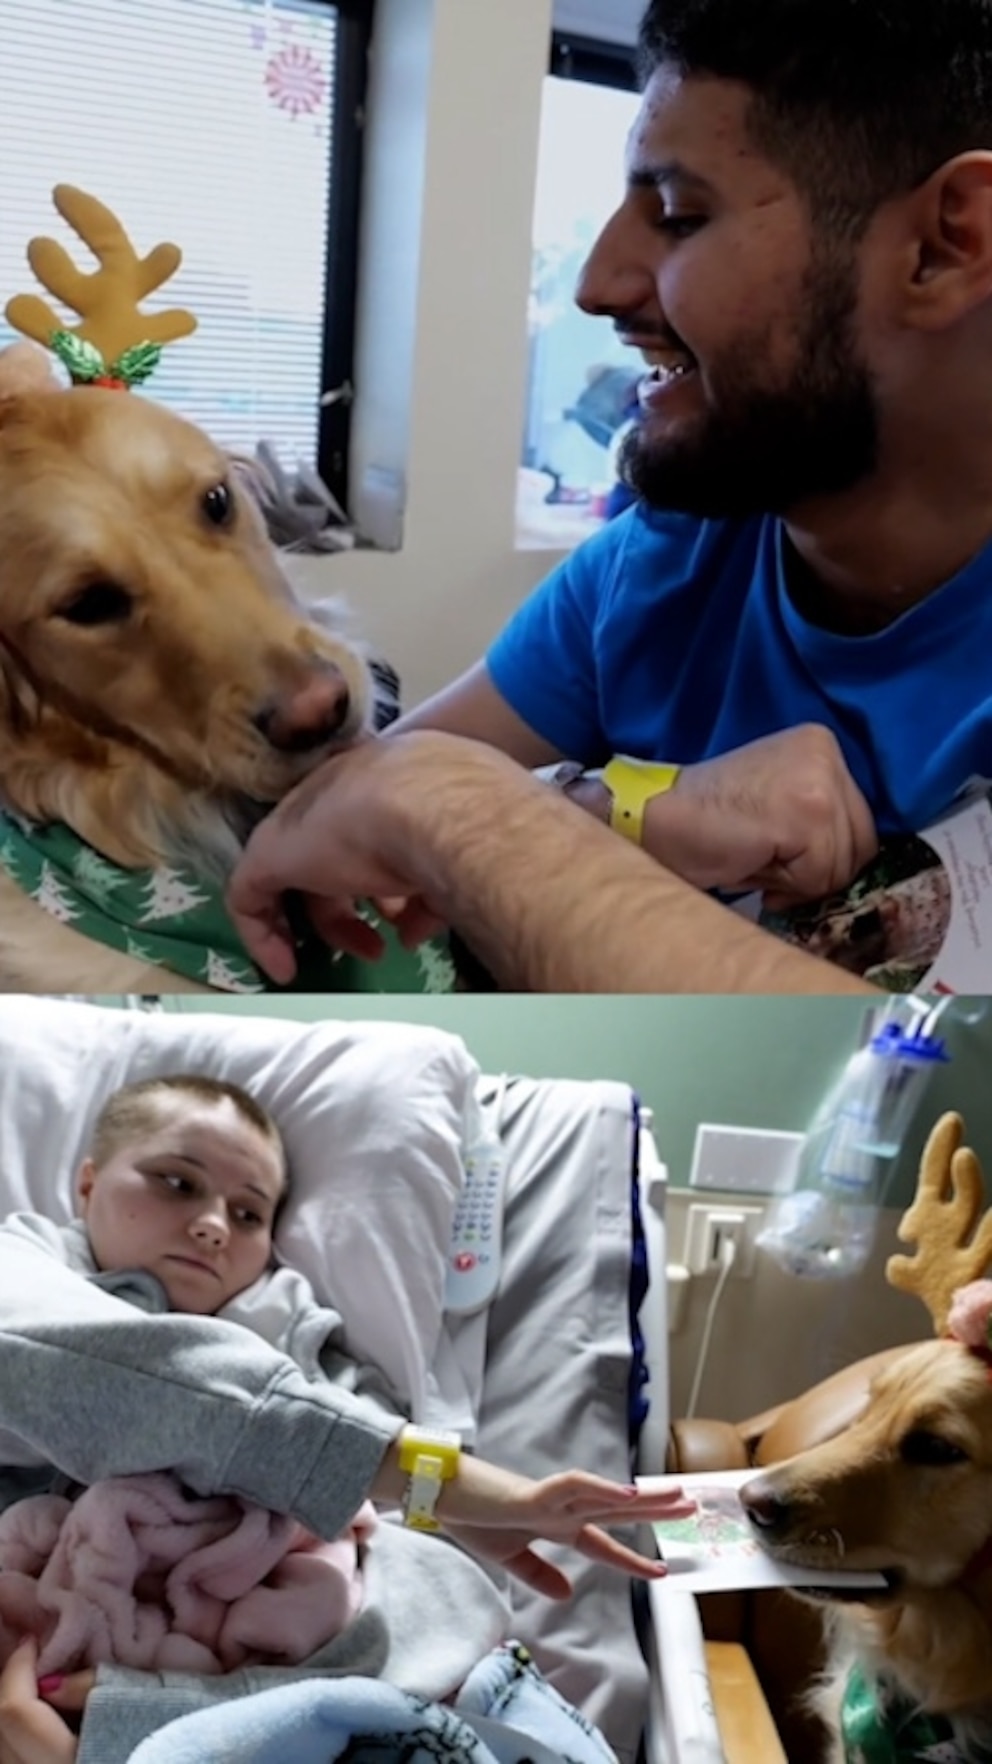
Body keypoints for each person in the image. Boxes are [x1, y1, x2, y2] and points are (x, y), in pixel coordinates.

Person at [225, 0, 992, 994]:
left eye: (678, 215)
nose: (593, 285)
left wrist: (474, 816)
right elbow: (329, 835)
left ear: (942, 246)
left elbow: (938, 1101)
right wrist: (628, 806)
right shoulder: (662, 561)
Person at [0, 1073, 693, 1764]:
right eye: (177, 1183)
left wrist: (140, 1725)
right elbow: (102, 1371)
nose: (213, 1225)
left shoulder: (310, 1358)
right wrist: (428, 1476)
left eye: (248, 1214)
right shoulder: (21, 1276)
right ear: (87, 1184)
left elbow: (423, 1611)